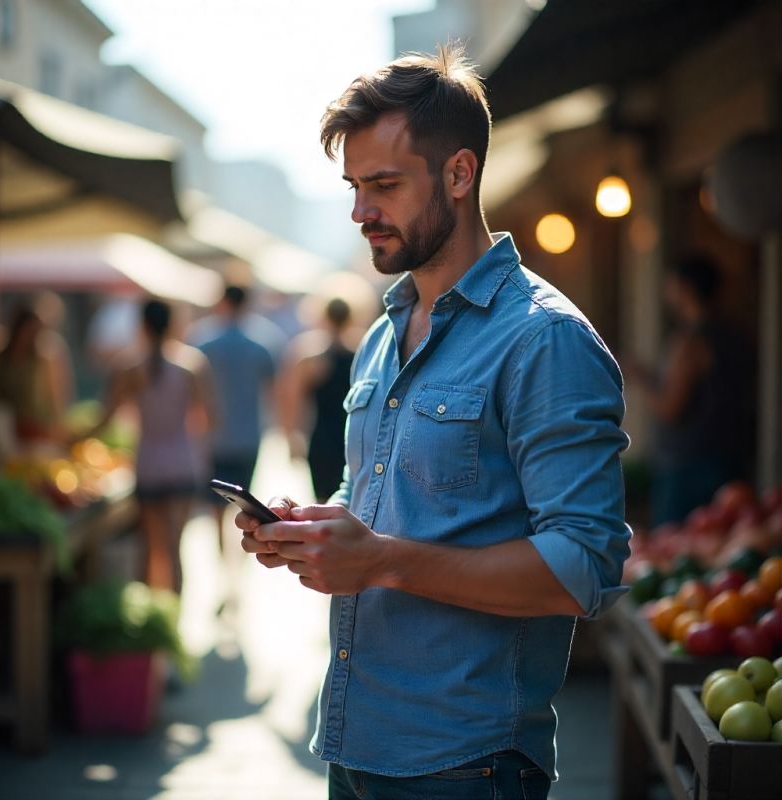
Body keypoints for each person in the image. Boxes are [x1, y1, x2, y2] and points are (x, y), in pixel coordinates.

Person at [236, 45, 631, 799]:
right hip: (354, 743)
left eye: (383, 185)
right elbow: (375, 500)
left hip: (467, 764)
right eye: (354, 187)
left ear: (459, 173)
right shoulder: (384, 334)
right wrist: (312, 532)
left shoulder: (543, 337)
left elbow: (587, 565)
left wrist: (382, 560)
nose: (359, 213)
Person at [80, 298, 214, 595]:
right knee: (175, 548)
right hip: (181, 460)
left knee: (150, 548)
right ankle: (174, 619)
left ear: (141, 325)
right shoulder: (191, 365)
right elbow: (208, 419)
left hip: (148, 461)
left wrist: (69, 436)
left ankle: (150, 617)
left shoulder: (128, 366)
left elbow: (104, 420)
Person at [628, 253, 754, 526]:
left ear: (684, 288)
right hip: (730, 460)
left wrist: (640, 379)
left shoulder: (690, 342)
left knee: (679, 550)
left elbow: (671, 408)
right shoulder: (736, 334)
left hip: (688, 468)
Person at [188, 284, 278, 555]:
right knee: (245, 501)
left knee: (215, 501)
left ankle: (220, 552)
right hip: (248, 434)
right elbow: (271, 388)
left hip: (213, 435)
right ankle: (237, 560)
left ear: (223, 301)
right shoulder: (262, 343)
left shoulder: (202, 341)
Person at [277, 296, 358, 502]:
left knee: (323, 502)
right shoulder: (362, 352)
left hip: (321, 438)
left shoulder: (310, 356)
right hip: (354, 438)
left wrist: (291, 438)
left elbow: (291, 401)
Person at [0, 300, 73, 445]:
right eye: (28, 331)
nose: (30, 337)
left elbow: (56, 397)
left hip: (34, 425)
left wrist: (57, 426)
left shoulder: (43, 359)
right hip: (6, 423)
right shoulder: (0, 357)